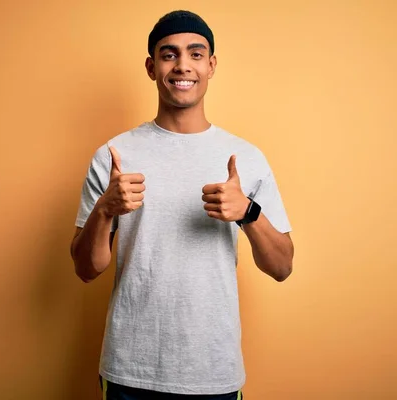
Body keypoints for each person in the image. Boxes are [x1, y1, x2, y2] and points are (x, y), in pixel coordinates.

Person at [71, 10, 294, 400]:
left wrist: (248, 212)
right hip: (129, 372)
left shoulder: (246, 157)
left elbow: (282, 267)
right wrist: (105, 209)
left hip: (213, 371)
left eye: (195, 54)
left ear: (211, 65)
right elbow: (86, 269)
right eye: (168, 54)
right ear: (151, 67)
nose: (182, 66)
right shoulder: (113, 155)